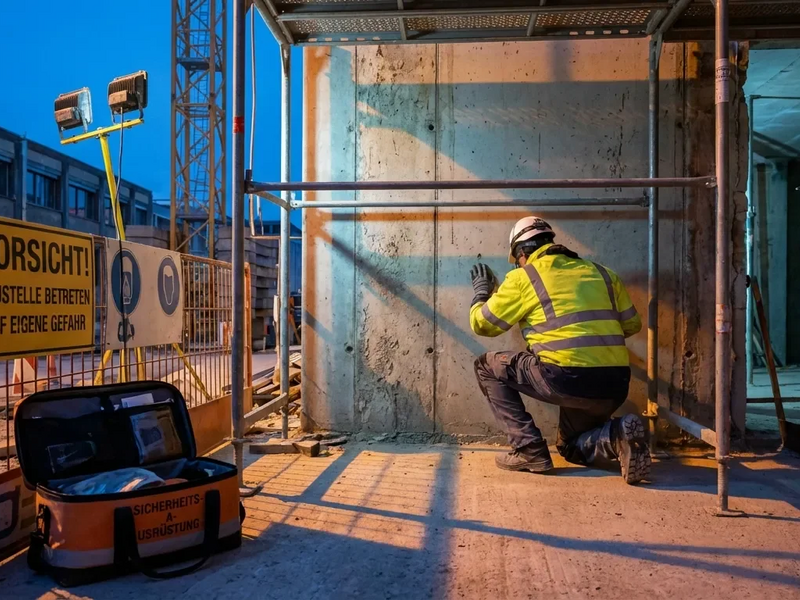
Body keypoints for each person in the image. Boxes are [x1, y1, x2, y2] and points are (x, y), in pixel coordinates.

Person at [469, 216, 650, 484]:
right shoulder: (603, 273)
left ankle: (528, 450)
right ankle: (616, 435)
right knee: (570, 446)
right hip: (615, 384)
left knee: (486, 366)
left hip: (565, 378)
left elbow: (482, 324)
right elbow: (632, 324)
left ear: (521, 253)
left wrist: (481, 295)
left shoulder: (523, 277)